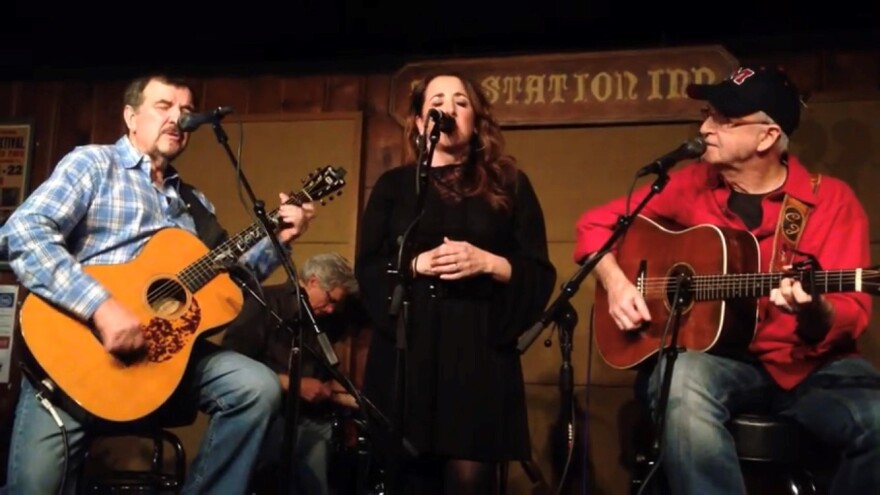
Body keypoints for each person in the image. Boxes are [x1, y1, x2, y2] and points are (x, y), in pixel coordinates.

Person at [0, 74, 315, 494]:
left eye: (185, 112)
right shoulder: (93, 164)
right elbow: (22, 232)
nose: (177, 119)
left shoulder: (195, 205)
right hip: (74, 363)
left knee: (254, 387)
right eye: (163, 106)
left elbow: (228, 286)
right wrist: (101, 306)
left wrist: (278, 240)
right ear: (131, 117)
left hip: (162, 362)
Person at [574, 66, 880, 494]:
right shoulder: (690, 185)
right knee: (678, 375)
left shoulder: (830, 201)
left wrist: (815, 308)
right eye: (707, 114)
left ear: (767, 137)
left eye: (724, 120)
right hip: (722, 364)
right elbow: (595, 225)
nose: (705, 128)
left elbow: (849, 314)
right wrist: (617, 282)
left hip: (812, 368)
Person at [355, 72, 556, 494]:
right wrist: (415, 264)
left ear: (476, 117)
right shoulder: (394, 187)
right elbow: (369, 266)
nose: (449, 109)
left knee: (469, 480)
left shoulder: (509, 184)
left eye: (461, 101)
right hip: (410, 349)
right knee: (406, 479)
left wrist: (488, 262)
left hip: (477, 350)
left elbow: (538, 272)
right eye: (438, 101)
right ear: (419, 120)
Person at [222, 252, 361, 495]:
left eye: (336, 304)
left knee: (350, 447)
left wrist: (335, 393)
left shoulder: (323, 319)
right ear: (313, 282)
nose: (331, 309)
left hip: (308, 416)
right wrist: (291, 384)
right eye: (330, 300)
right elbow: (230, 363)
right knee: (313, 447)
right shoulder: (265, 302)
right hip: (265, 417)